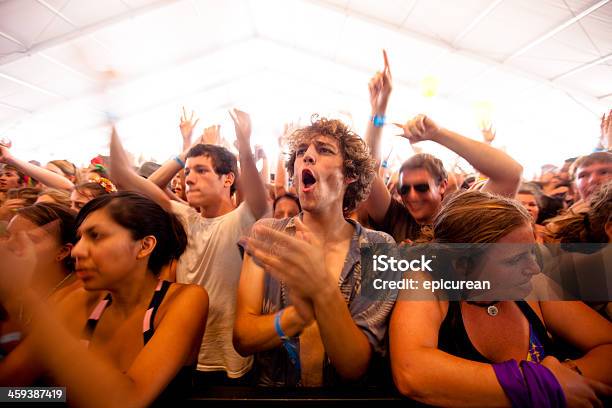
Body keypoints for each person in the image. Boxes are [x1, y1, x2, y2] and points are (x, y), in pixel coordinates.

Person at [390, 190, 612, 407]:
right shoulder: (426, 281)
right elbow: (412, 373)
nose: (534, 268)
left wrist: (567, 373)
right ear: (462, 265)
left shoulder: (535, 285)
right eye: (514, 260)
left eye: (532, 252)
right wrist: (542, 383)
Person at [0, 192, 208, 406]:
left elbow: (127, 401)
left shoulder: (183, 300)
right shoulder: (79, 301)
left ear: (145, 246)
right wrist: (54, 396)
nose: (77, 251)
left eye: (96, 236)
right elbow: (7, 388)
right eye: (79, 238)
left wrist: (25, 292)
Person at [234, 116, 397, 387]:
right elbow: (242, 338)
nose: (307, 156)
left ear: (350, 175)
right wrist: (298, 316)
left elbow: (355, 366)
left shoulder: (378, 249)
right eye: (300, 152)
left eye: (324, 150)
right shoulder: (267, 234)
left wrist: (321, 288)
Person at [109, 109, 269, 383]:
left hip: (231, 358)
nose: (188, 179)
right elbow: (125, 178)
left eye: (201, 171)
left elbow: (257, 193)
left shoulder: (243, 219)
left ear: (228, 179)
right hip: (185, 354)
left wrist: (243, 144)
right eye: (187, 172)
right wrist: (187, 153)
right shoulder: (184, 218)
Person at [362, 51, 523, 243]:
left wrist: (437, 134)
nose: (411, 196)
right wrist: (379, 107)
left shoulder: (463, 220)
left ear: (442, 186)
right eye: (404, 189)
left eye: (421, 187)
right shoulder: (397, 219)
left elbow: (511, 173)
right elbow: (368, 168)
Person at [0, 202, 80, 385]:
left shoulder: (75, 298)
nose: (10, 245)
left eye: (30, 240)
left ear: (63, 251)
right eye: (8, 235)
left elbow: (9, 385)